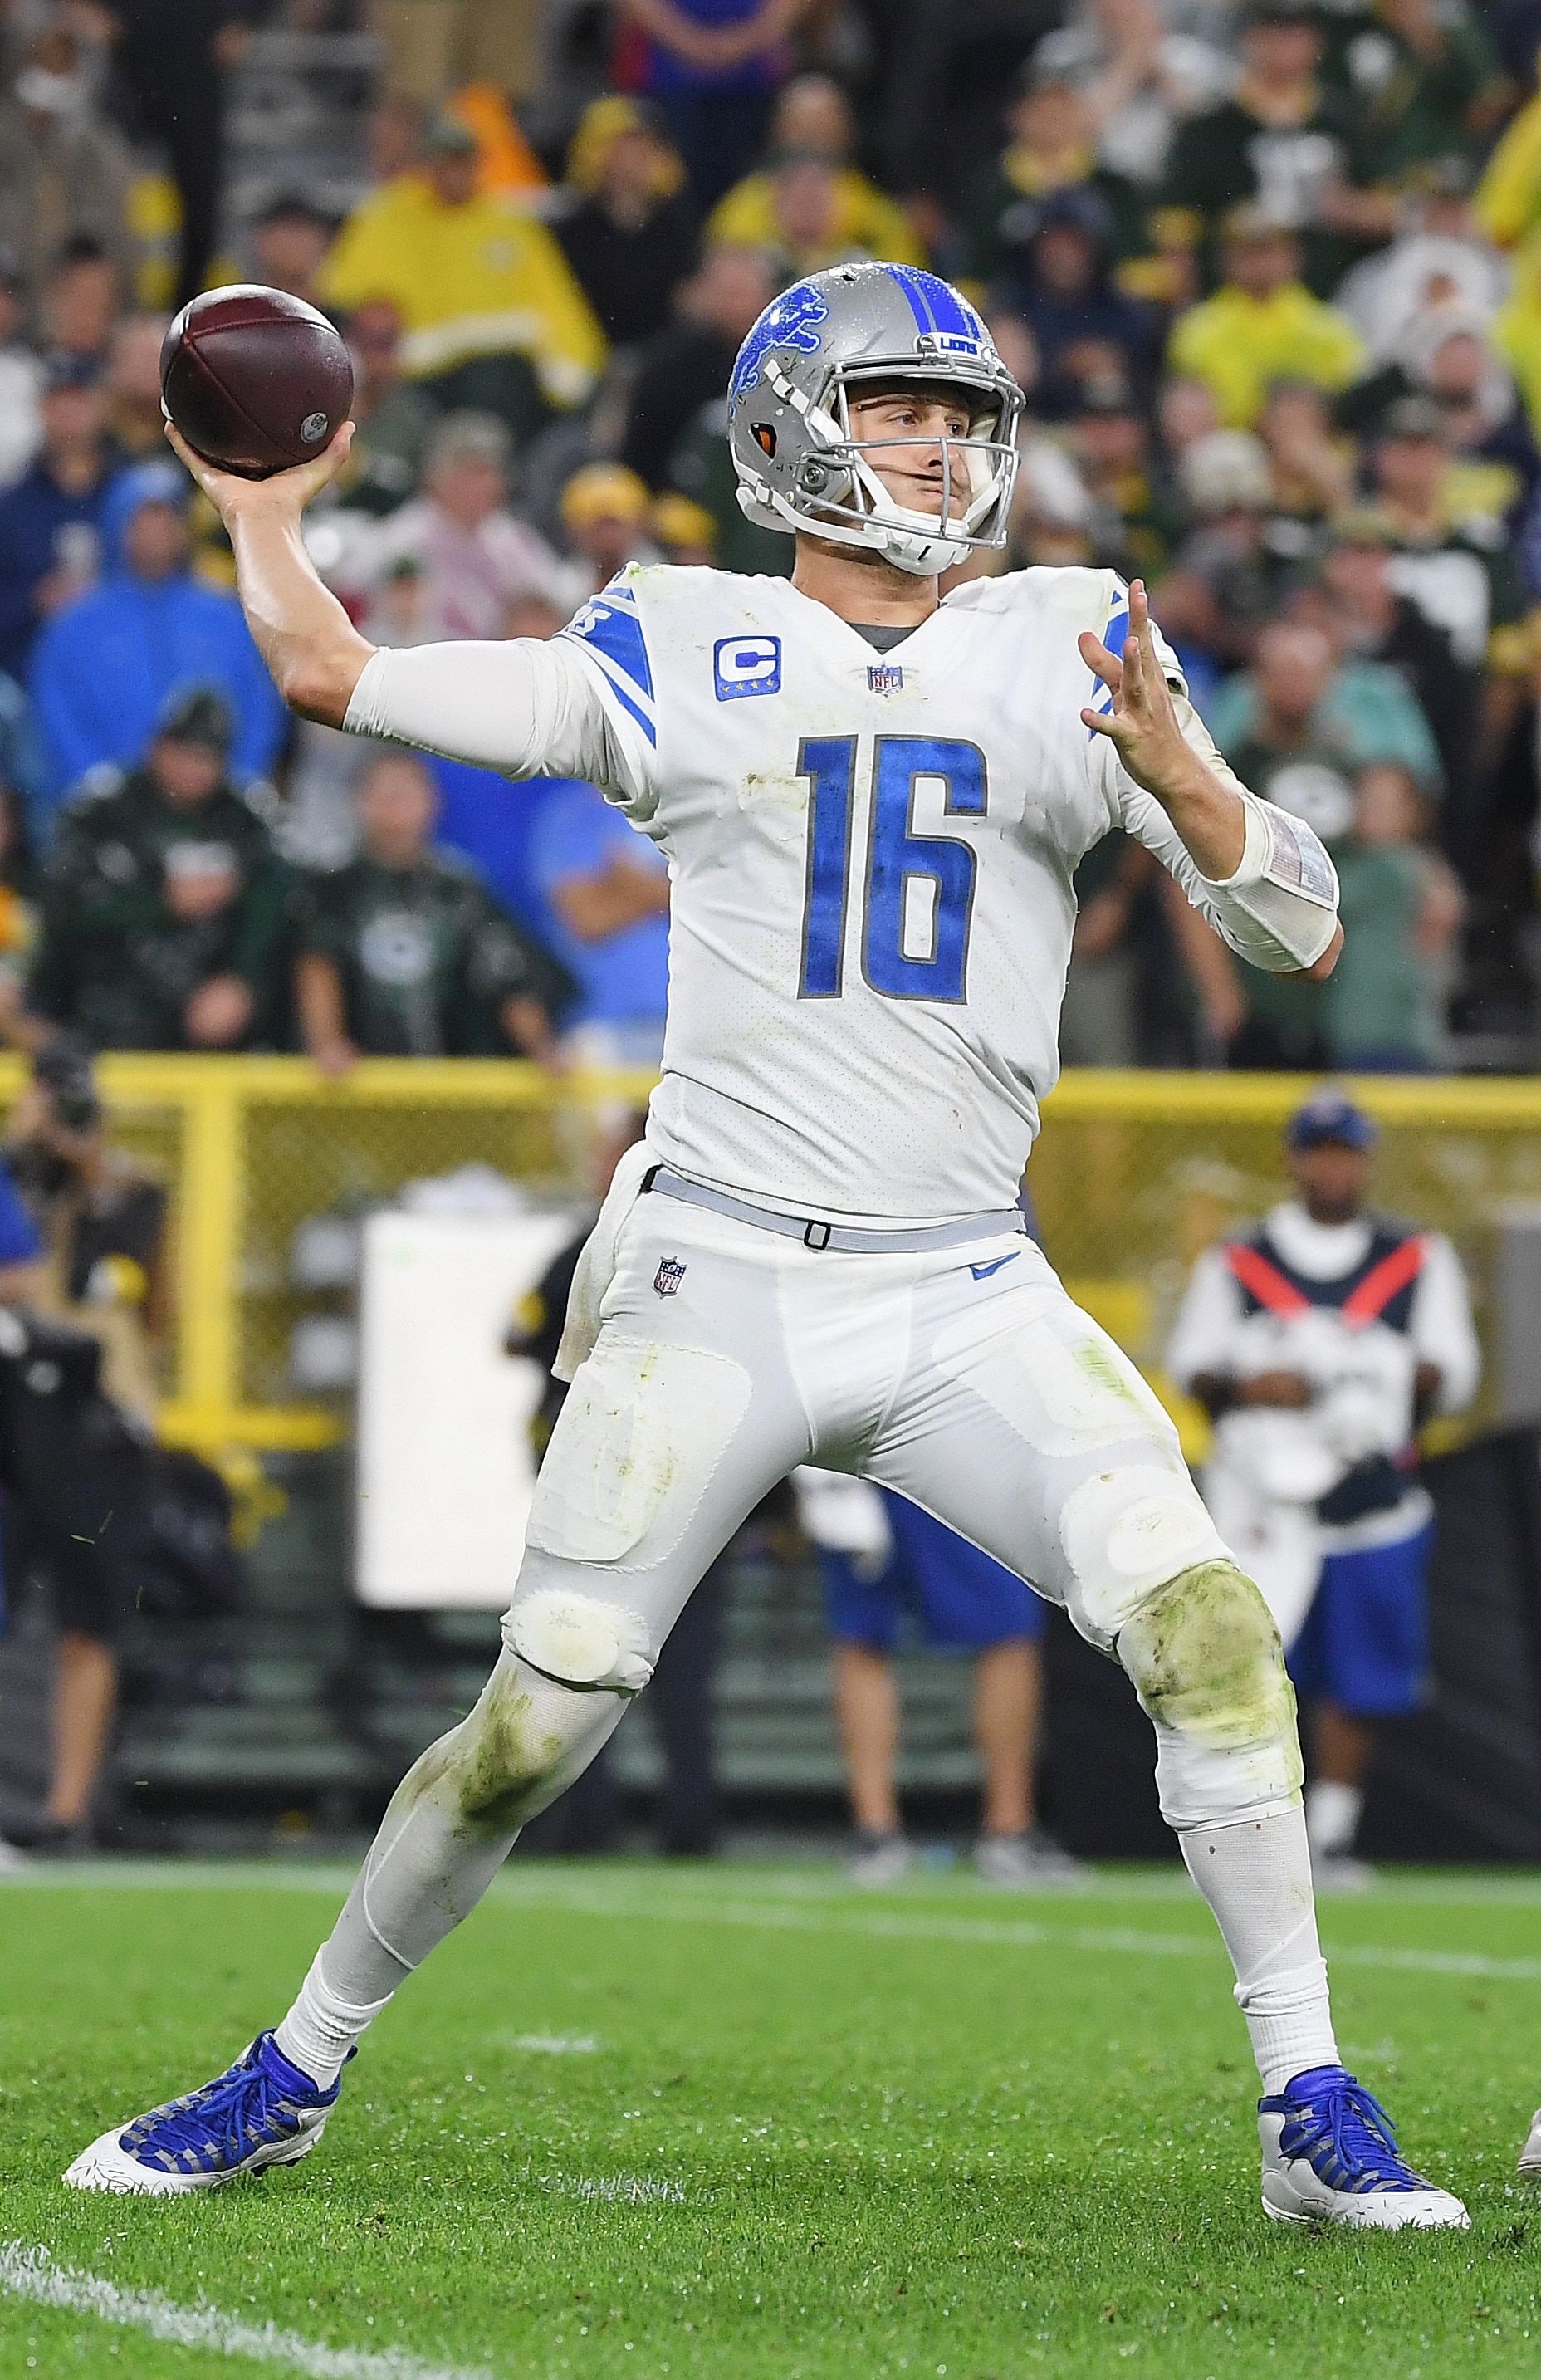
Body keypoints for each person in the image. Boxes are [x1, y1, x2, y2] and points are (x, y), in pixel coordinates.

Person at [68, 259, 1466, 2237]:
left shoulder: (1072, 636)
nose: (940, 445)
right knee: (533, 1723)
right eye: (898, 407)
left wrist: (1186, 781)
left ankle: (1305, 2097)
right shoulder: (684, 635)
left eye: (962, 415)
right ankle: (291, 2069)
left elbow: (1303, 929)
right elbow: (338, 675)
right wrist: (263, 509)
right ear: (788, 426)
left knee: (1210, 1625)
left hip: (964, 1277)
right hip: (718, 1267)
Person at [1166, 1089, 1479, 1886]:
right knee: (1260, 1673)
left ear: (1365, 1160)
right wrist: (1254, 1384)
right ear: (1294, 1158)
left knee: (1362, 1676)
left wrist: (1365, 1376)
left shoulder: (1415, 1258)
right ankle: (1253, 1833)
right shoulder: (1240, 1261)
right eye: (1317, 1149)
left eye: (1345, 1151)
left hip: (1368, 1499)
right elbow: (1192, 1366)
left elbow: (1451, 1374)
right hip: (1264, 1507)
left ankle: (1329, 1836)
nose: (1331, 1166)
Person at [506, 1110, 723, 1858]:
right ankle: (690, 1828)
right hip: (697, 1484)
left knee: (579, 1655)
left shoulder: (590, 1248)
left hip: (603, 1485)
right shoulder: (725, 1256)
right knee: (683, 1671)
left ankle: (580, 1826)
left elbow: (520, 1334)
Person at [792, 1465, 1084, 1887]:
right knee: (861, 1635)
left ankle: (1007, 1828)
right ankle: (878, 1832)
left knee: (1009, 1628)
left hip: (948, 1444)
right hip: (858, 1450)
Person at [22, 683, 288, 1051]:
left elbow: (278, 903)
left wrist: (240, 980)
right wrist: (162, 904)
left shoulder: (247, 820)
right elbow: (63, 908)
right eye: (185, 752)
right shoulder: (101, 810)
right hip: (100, 1011)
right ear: (156, 747)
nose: (195, 769)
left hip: (214, 1023)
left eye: (208, 757)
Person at [316, 108, 607, 444]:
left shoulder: (509, 224)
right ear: (426, 164)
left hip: (500, 375)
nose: (454, 173)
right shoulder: (385, 218)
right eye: (444, 162)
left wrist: (570, 369)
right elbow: (345, 302)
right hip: (414, 377)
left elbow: (555, 303)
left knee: (508, 391)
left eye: (463, 162)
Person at [27, 460, 286, 811]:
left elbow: (260, 709)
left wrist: (233, 787)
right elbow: (56, 721)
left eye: (167, 521)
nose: (156, 535)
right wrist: (104, 795)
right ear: (116, 526)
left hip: (215, 817)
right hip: (107, 821)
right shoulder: (73, 627)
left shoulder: (227, 619)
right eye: (142, 522)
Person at [292, 750, 572, 1070]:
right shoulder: (332, 889)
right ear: (360, 801)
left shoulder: (461, 889)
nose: (395, 803)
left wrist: (541, 1045)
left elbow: (504, 973)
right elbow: (316, 963)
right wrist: (326, 1042)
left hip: (450, 1087)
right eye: (383, 792)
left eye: (406, 792)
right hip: (360, 1085)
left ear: (433, 802)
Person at [1166, 207, 1364, 431]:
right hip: (1230, 442)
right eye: (1246, 253)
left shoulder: (1329, 328)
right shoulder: (1198, 329)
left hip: (1306, 441)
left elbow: (1350, 403)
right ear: (1226, 259)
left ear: (1293, 256)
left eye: (1267, 251)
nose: (1258, 263)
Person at [527, 775, 670, 1069]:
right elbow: (588, 921)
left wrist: (625, 885)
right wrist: (665, 889)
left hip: (693, 1027)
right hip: (602, 1027)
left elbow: (723, 903)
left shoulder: (686, 809)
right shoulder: (569, 817)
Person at [0, 355, 116, 684]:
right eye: (57, 400)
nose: (68, 413)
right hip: (27, 674)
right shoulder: (11, 505)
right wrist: (35, 600)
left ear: (101, 406)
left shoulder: (130, 494)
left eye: (79, 400)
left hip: (119, 667)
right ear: (41, 409)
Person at [554, 96, 701, 352]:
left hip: (666, 356)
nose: (634, 161)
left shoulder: (681, 225)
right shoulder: (571, 232)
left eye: (644, 149)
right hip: (595, 354)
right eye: (620, 150)